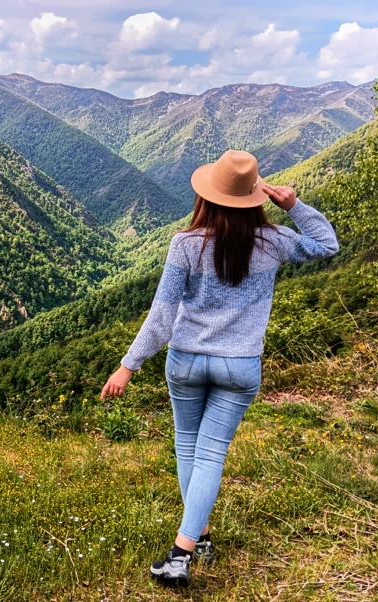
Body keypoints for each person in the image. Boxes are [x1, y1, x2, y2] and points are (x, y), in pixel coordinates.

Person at [100, 149, 339, 587]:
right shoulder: (274, 241)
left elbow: (162, 316)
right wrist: (295, 206)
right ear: (254, 197)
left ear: (207, 197)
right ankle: (198, 538)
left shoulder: (187, 245)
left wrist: (127, 365)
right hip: (240, 366)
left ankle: (181, 553)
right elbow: (327, 244)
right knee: (210, 453)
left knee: (188, 447)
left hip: (186, 360)